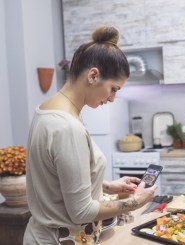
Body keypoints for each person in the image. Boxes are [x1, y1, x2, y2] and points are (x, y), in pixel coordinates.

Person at [23, 25, 157, 244]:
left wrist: (104, 184)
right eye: (114, 88)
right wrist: (137, 201)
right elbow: (82, 212)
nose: (113, 98)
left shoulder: (47, 109)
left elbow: (56, 175)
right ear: (93, 75)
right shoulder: (68, 127)